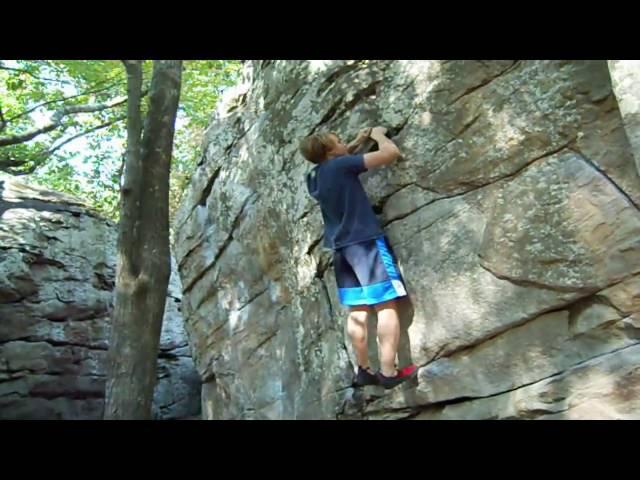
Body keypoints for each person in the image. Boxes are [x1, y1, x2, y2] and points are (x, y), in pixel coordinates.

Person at [299, 126, 416, 389]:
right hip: (365, 244)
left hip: (341, 250)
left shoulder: (314, 176)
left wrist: (355, 141)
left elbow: (339, 158)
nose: (344, 143)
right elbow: (390, 153)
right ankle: (388, 372)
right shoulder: (342, 167)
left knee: (358, 311)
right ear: (330, 152)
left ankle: (362, 370)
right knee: (386, 305)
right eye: (339, 141)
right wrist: (377, 136)